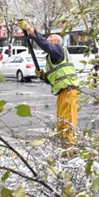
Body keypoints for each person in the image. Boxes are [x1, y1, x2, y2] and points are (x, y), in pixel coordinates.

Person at [18, 20, 80, 151]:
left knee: (67, 124)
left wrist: (31, 29)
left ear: (57, 42)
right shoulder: (54, 58)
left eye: (51, 37)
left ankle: (69, 152)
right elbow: (54, 79)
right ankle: (66, 150)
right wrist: (43, 76)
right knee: (62, 124)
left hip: (68, 92)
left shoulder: (58, 50)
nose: (48, 38)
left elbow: (45, 44)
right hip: (63, 93)